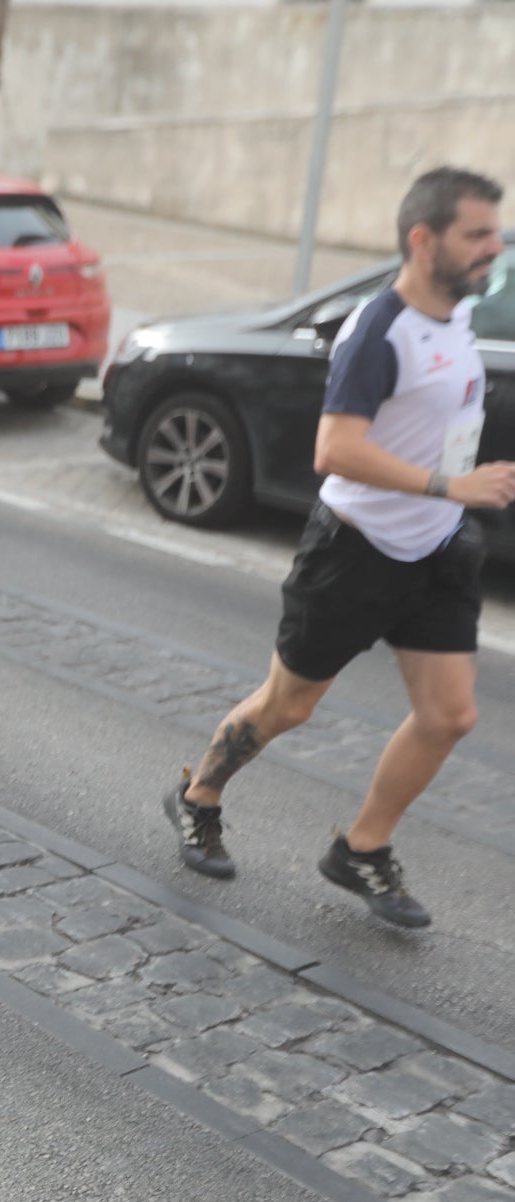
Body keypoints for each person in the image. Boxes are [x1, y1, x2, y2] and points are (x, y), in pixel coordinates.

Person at [165, 167, 512, 929]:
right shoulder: (377, 329)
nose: (495, 246)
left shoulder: (456, 316)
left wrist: (457, 500)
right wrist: (450, 487)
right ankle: (197, 797)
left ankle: (361, 849)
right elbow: (336, 449)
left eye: (496, 230)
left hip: (438, 552)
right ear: (424, 241)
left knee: (450, 715)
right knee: (290, 705)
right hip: (353, 552)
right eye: (478, 234)